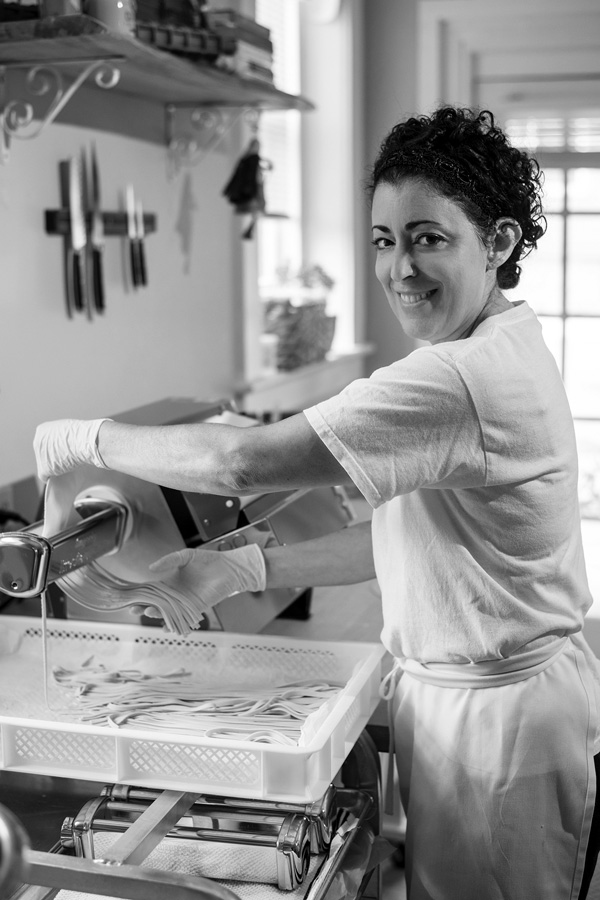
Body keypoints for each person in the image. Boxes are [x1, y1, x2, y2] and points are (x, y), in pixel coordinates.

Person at [34, 106, 600, 900]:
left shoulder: (462, 378)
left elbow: (239, 464)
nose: (399, 267)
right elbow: (414, 540)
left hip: (498, 731)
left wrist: (81, 440)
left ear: (499, 242)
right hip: (483, 705)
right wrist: (244, 565)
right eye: (383, 239)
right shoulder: (486, 346)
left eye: (428, 237)